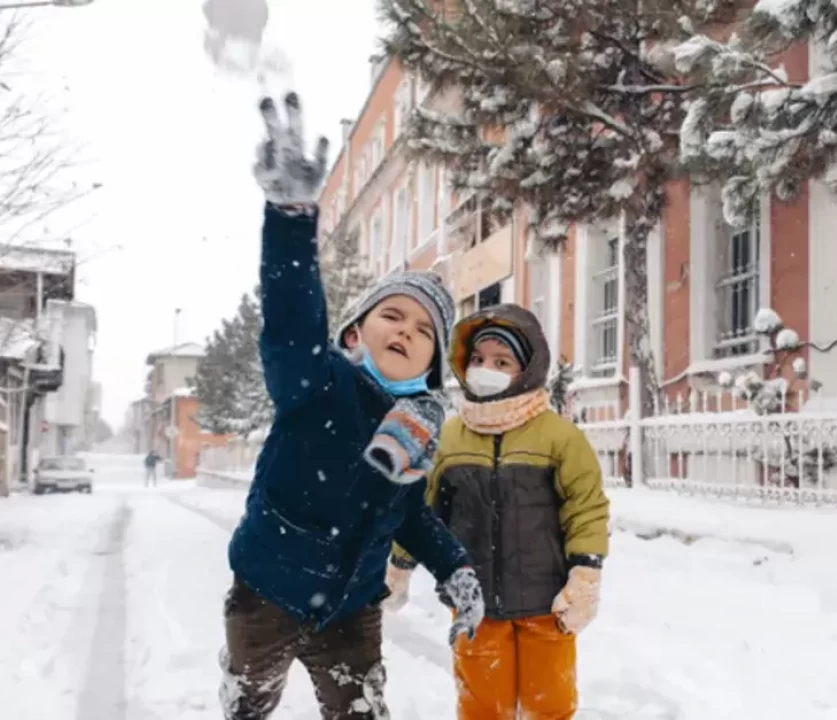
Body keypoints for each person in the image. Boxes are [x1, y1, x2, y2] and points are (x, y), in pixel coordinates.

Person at [219, 92, 484, 720]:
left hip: (353, 611)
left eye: (424, 331)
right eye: (391, 315)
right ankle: (241, 693)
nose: (406, 331)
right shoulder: (316, 382)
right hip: (268, 593)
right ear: (352, 335)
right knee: (250, 707)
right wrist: (290, 217)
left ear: (431, 364)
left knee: (362, 712)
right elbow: (290, 317)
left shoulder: (418, 426)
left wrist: (455, 568)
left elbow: (408, 514)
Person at [386, 304, 610, 719]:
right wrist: (399, 566)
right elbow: (423, 511)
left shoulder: (559, 437)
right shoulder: (451, 437)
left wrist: (586, 571)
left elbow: (586, 507)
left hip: (548, 603)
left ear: (526, 370)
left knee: (550, 706)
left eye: (501, 361)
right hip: (473, 602)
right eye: (477, 359)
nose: (484, 368)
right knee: (482, 707)